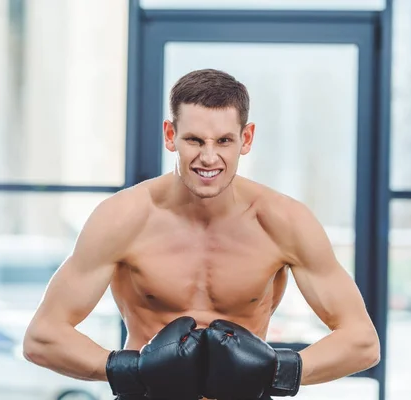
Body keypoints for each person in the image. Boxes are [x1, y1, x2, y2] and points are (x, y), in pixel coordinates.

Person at [23, 68, 380, 399]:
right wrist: (130, 370)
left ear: (246, 138)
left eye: (224, 141)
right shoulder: (123, 218)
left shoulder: (282, 221)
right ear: (170, 135)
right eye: (194, 140)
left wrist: (278, 369)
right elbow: (43, 337)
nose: (209, 158)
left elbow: (362, 342)